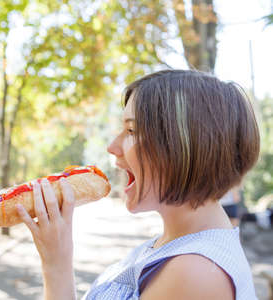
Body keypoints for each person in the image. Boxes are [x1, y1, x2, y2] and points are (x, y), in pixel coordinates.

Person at [16, 70, 260, 300]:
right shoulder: (175, 243)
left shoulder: (195, 272)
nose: (112, 146)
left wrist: (56, 264)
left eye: (131, 130)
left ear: (183, 146)